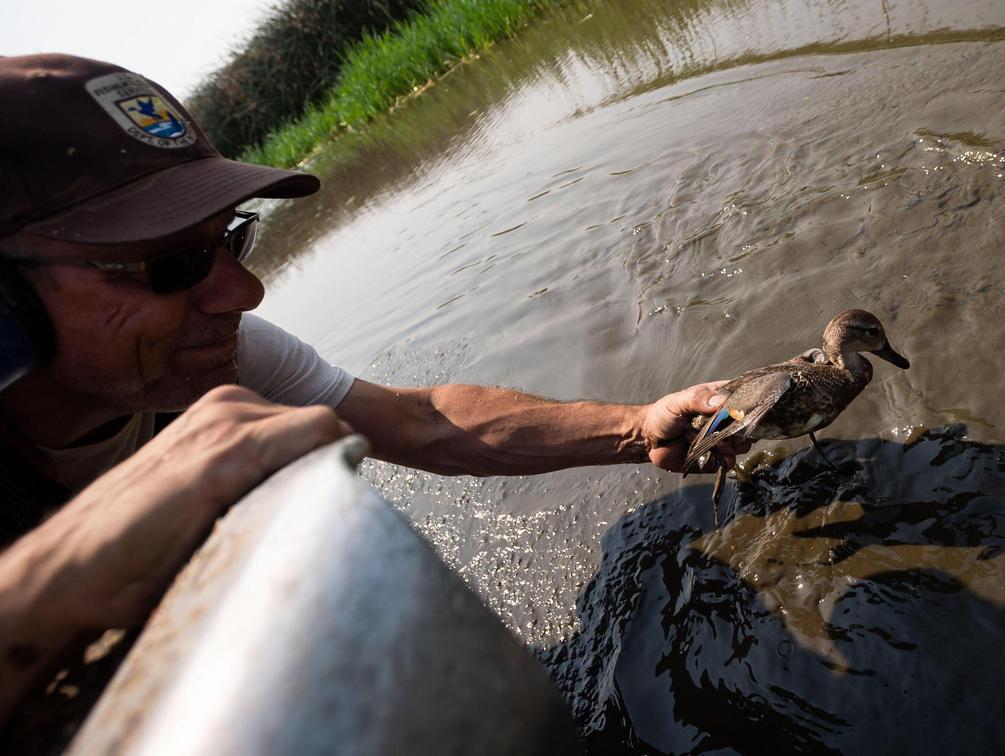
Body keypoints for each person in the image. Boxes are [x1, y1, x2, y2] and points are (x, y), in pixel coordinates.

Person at [0, 54, 741, 721]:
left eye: (228, 241)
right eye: (170, 265)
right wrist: (66, 568)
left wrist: (639, 425)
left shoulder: (214, 356)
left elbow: (420, 423)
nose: (246, 293)